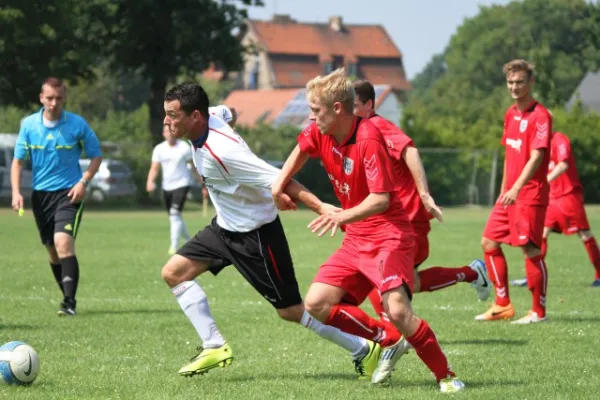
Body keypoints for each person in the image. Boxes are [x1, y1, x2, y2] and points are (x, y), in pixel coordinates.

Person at [160, 82, 380, 378]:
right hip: (224, 228)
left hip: (256, 236)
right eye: (166, 114)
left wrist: (322, 208)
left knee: (290, 311)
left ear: (195, 116)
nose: (166, 121)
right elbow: (231, 112)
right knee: (174, 273)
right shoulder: (211, 115)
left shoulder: (224, 154)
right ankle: (213, 345)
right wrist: (230, 123)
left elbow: (282, 180)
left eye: (173, 115)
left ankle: (364, 348)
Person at [272, 69, 465, 393]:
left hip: (390, 234)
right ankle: (387, 339)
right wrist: (279, 186)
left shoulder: (369, 138)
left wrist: (340, 216)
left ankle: (447, 377)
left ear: (337, 108)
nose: (310, 116)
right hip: (357, 237)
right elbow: (300, 151)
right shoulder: (320, 131)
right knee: (317, 303)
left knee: (398, 309)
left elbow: (381, 199)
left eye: (315, 110)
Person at [352, 80, 490, 319]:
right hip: (389, 216)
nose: (346, 110)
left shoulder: (377, 126)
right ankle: (472, 273)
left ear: (368, 104)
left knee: (378, 273)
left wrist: (424, 195)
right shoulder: (359, 131)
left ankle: (391, 334)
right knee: (409, 281)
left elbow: (410, 151)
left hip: (407, 216)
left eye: (352, 105)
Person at [11, 77, 103, 317]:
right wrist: (16, 192)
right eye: (49, 98)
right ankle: (66, 296)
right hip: (41, 197)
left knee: (63, 243)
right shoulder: (29, 125)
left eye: (59, 98)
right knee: (52, 250)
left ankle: (69, 302)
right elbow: (18, 162)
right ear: (41, 98)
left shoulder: (77, 124)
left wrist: (84, 181)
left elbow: (96, 155)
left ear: (64, 98)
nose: (54, 103)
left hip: (69, 193)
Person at [477, 59, 551, 324]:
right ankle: (502, 304)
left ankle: (538, 312)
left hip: (529, 193)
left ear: (530, 82)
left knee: (530, 249)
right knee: (489, 242)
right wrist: (503, 189)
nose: (515, 87)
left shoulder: (540, 116)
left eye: (520, 82)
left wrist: (517, 187)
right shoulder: (510, 113)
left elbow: (536, 157)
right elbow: (509, 154)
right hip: (509, 195)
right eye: (511, 82)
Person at [511, 131, 600, 287]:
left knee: (584, 234)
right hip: (551, 196)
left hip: (567, 195)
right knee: (541, 234)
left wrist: (545, 180)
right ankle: (532, 276)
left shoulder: (559, 140)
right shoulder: (537, 144)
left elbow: (563, 164)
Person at [146, 125, 198, 255]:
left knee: (175, 214)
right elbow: (154, 168)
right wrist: (150, 181)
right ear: (163, 134)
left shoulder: (184, 147)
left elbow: (193, 166)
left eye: (171, 131)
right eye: (166, 131)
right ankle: (189, 240)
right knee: (174, 217)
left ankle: (174, 246)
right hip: (167, 186)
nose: (169, 133)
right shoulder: (159, 149)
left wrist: (201, 180)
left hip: (182, 183)